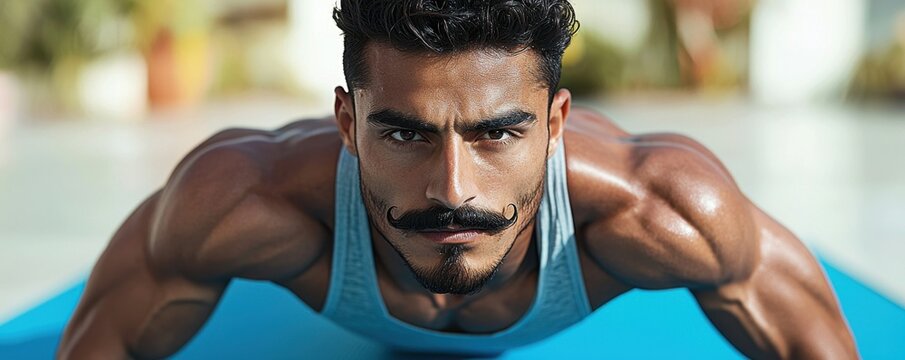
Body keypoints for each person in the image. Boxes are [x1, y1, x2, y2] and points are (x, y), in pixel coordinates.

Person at [58, 0, 857, 358]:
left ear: (554, 123)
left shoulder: (665, 210)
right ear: (345, 123)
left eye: (498, 132)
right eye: (404, 132)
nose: (452, 189)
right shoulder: (237, 203)